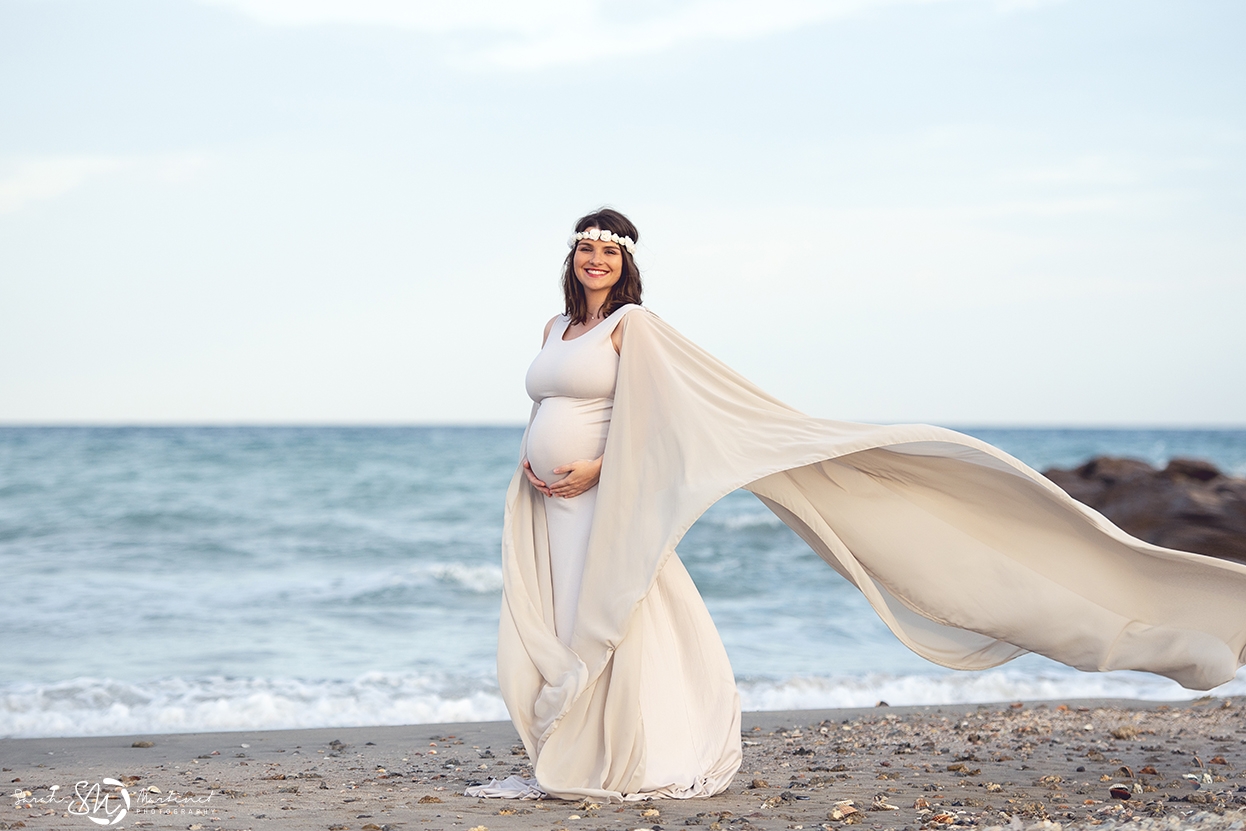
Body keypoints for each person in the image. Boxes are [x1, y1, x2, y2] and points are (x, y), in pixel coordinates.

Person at [467, 208, 1246, 804]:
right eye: (586, 245)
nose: (595, 256)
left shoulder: (637, 326)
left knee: (615, 614)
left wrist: (597, 465)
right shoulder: (555, 326)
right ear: (571, 256)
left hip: (604, 499)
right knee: (567, 619)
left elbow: (664, 421)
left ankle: (639, 754)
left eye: (611, 247)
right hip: (548, 505)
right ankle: (575, 743)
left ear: (626, 264)